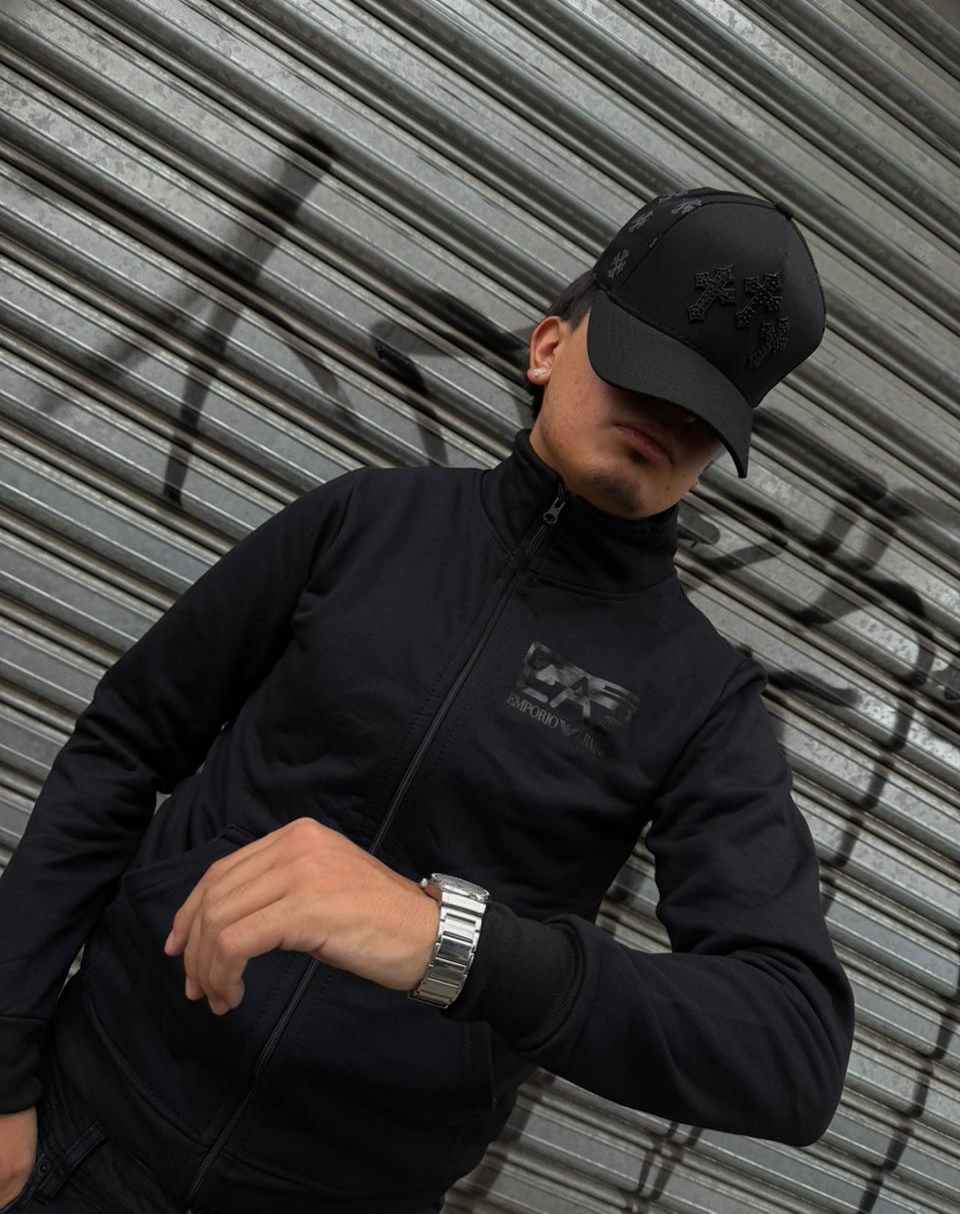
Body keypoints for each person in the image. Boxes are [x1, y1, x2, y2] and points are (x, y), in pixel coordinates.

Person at [0, 187, 856, 1213]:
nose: (668, 417)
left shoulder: (701, 696)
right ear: (548, 346)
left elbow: (792, 1047)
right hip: (87, 1125)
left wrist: (451, 940)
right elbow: (124, 743)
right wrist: (4, 1060)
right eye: (646, 369)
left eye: (704, 411)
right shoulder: (363, 520)